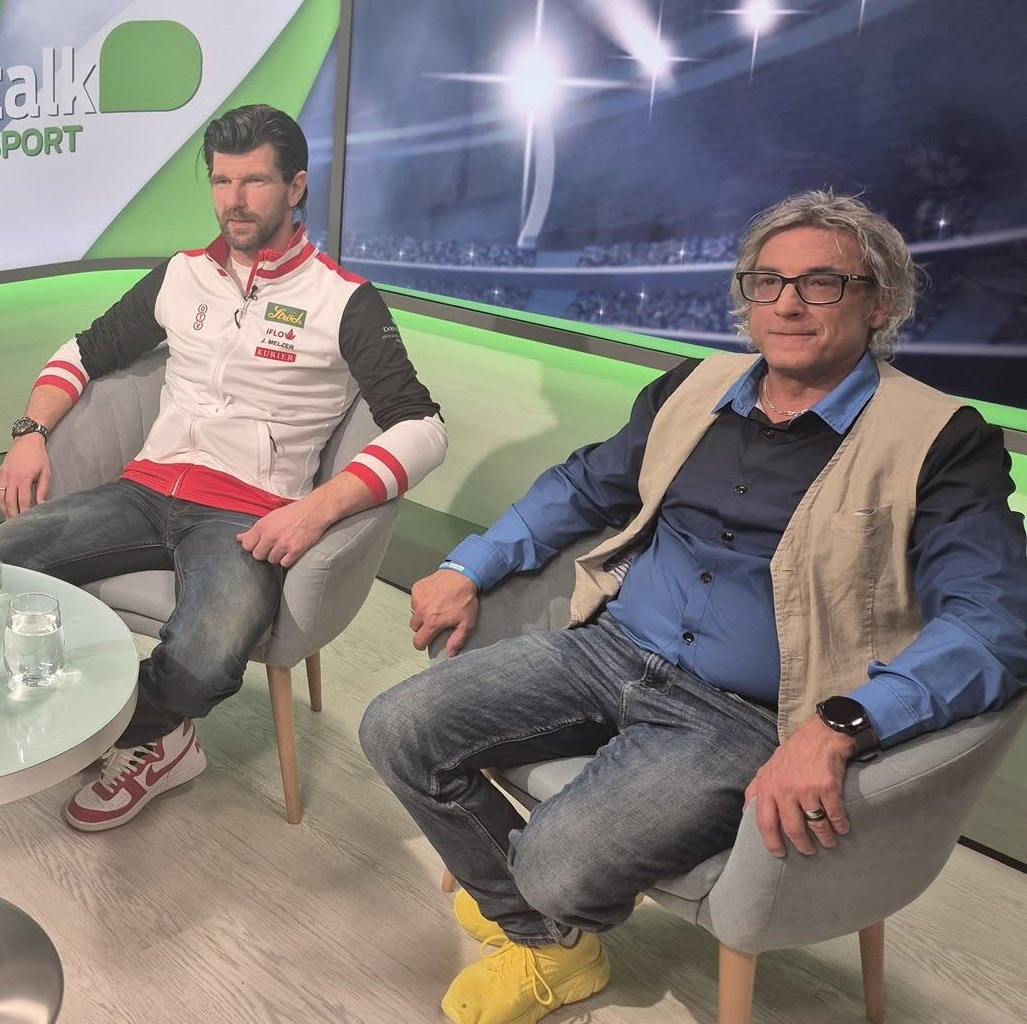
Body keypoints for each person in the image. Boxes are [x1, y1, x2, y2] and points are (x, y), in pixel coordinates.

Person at [360, 190, 1027, 1024]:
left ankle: (537, 910)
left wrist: (844, 725)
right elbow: (584, 485)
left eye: (822, 283)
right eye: (768, 281)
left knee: (558, 865)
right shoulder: (694, 386)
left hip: (746, 713)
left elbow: (996, 624)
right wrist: (469, 563)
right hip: (606, 648)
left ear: (878, 303)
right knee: (396, 726)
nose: (787, 303)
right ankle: (551, 939)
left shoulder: (941, 440)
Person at [0, 104, 448, 831]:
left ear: (296, 187)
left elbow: (422, 426)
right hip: (144, 490)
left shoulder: (344, 301)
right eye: (222, 181)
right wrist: (30, 432)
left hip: (247, 514)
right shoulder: (182, 275)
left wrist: (317, 508)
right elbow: (85, 350)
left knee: (206, 659)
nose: (234, 200)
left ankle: (137, 737)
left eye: (254, 182)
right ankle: (116, 721)